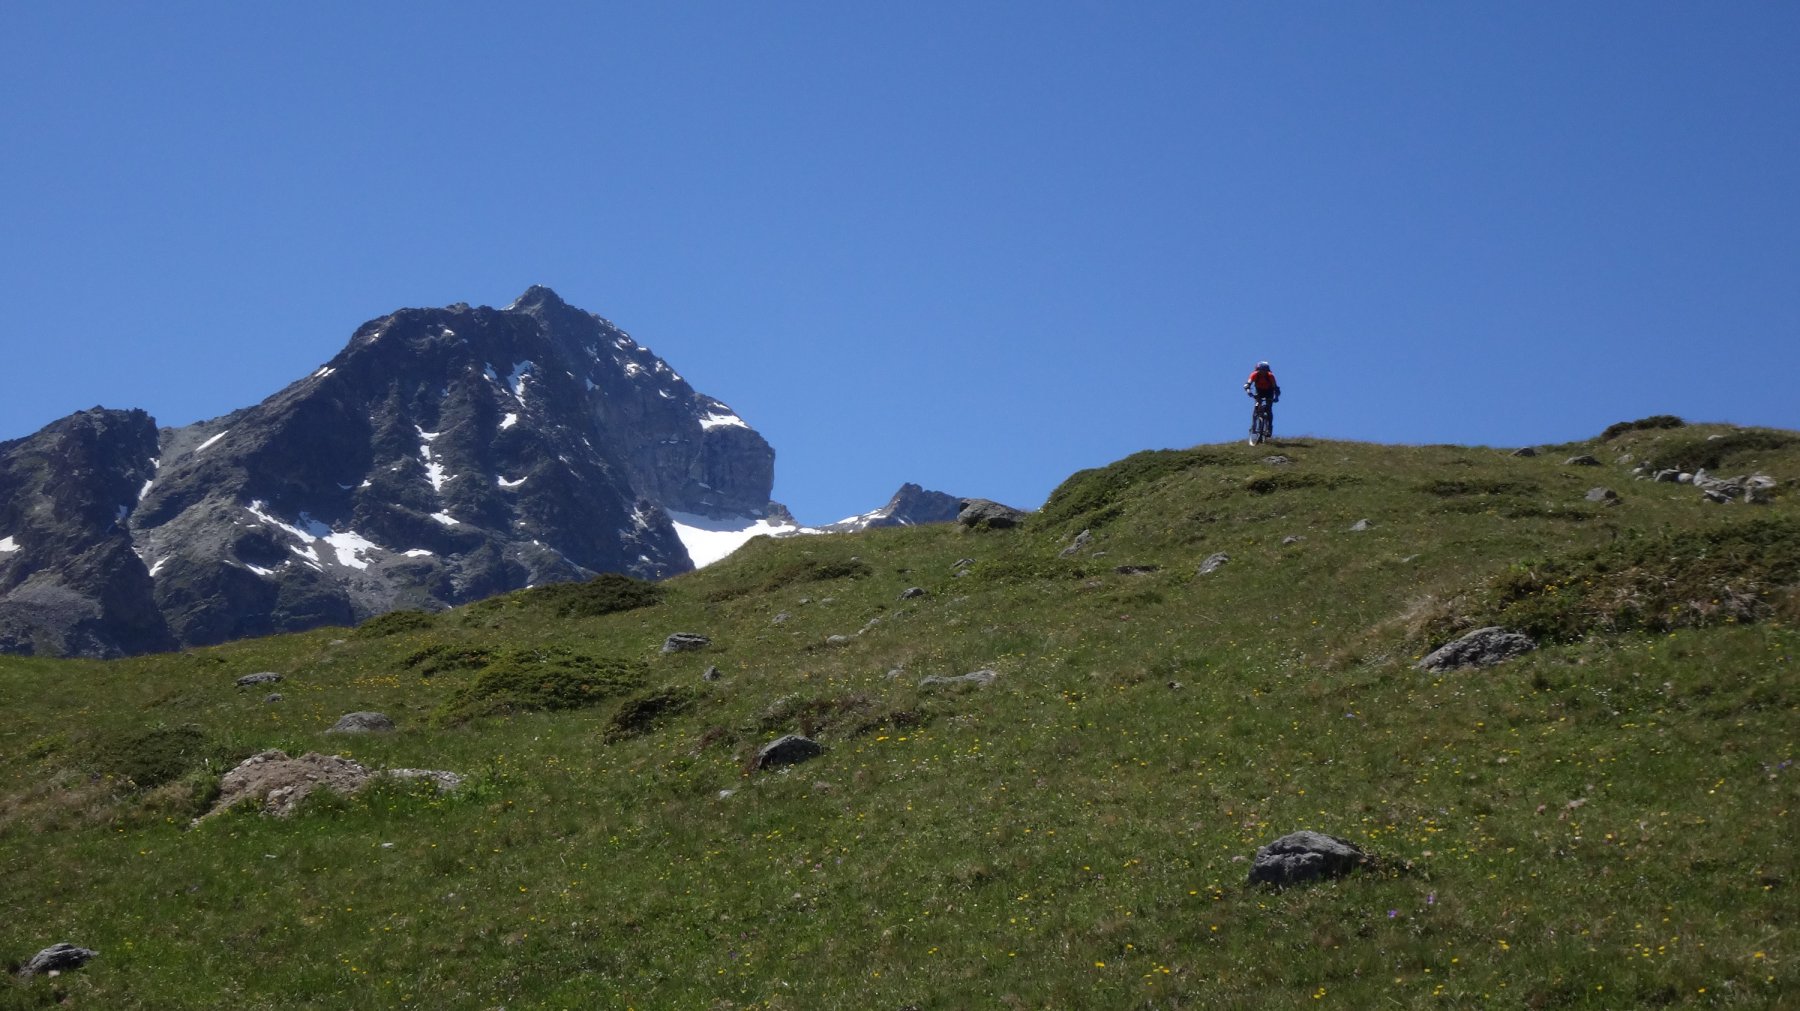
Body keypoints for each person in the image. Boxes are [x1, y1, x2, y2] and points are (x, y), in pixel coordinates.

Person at [1244, 361, 1280, 433]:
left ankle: (1269, 427)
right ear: (1258, 370)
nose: (1263, 372)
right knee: (1256, 406)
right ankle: (1253, 425)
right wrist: (1248, 391)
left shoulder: (1270, 376)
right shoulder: (1254, 375)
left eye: (1265, 370)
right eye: (1261, 370)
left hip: (1269, 391)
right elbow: (1248, 384)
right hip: (1259, 391)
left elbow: (1275, 387)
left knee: (1269, 408)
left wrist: (1276, 397)